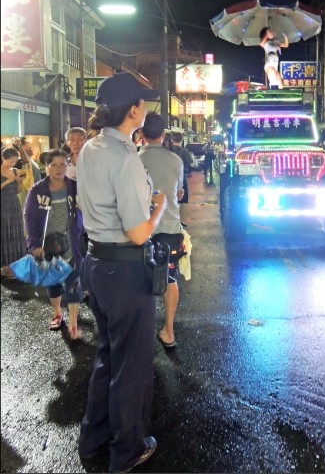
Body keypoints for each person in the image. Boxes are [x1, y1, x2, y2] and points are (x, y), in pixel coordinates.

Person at [76, 72, 166, 473]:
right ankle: (127, 449)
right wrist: (159, 208)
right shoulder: (126, 157)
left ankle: (92, 438)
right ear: (133, 110)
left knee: (108, 357)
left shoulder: (89, 149)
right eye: (143, 103)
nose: (146, 108)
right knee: (131, 366)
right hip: (125, 270)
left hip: (95, 264)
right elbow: (137, 231)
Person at [24, 149, 85, 339]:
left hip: (72, 244)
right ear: (47, 167)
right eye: (54, 165)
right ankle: (58, 313)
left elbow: (89, 210)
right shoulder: (37, 190)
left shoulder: (75, 187)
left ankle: (73, 323)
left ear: (68, 166)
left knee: (74, 283)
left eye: (63, 164)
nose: (59, 169)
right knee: (54, 283)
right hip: (48, 247)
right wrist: (34, 244)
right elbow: (29, 218)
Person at [139, 114, 185, 349]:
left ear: (141, 134)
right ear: (163, 135)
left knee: (138, 280)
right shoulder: (176, 160)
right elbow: (179, 192)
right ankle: (168, 331)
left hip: (140, 230)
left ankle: (139, 334)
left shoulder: (134, 160)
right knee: (170, 277)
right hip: (168, 227)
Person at [1, 147, 26, 279]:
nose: (13, 164)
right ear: (3, 158)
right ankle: (5, 267)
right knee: (4, 233)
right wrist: (7, 181)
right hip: (2, 205)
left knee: (15, 232)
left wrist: (19, 183)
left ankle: (14, 264)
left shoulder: (16, 171)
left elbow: (18, 191)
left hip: (14, 204)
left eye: (15, 161)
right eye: (10, 161)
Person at [170, 131, 193, 205]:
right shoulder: (184, 152)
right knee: (182, 199)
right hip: (181, 177)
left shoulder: (167, 150)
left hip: (168, 177)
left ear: (172, 140)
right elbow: (192, 164)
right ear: (182, 140)